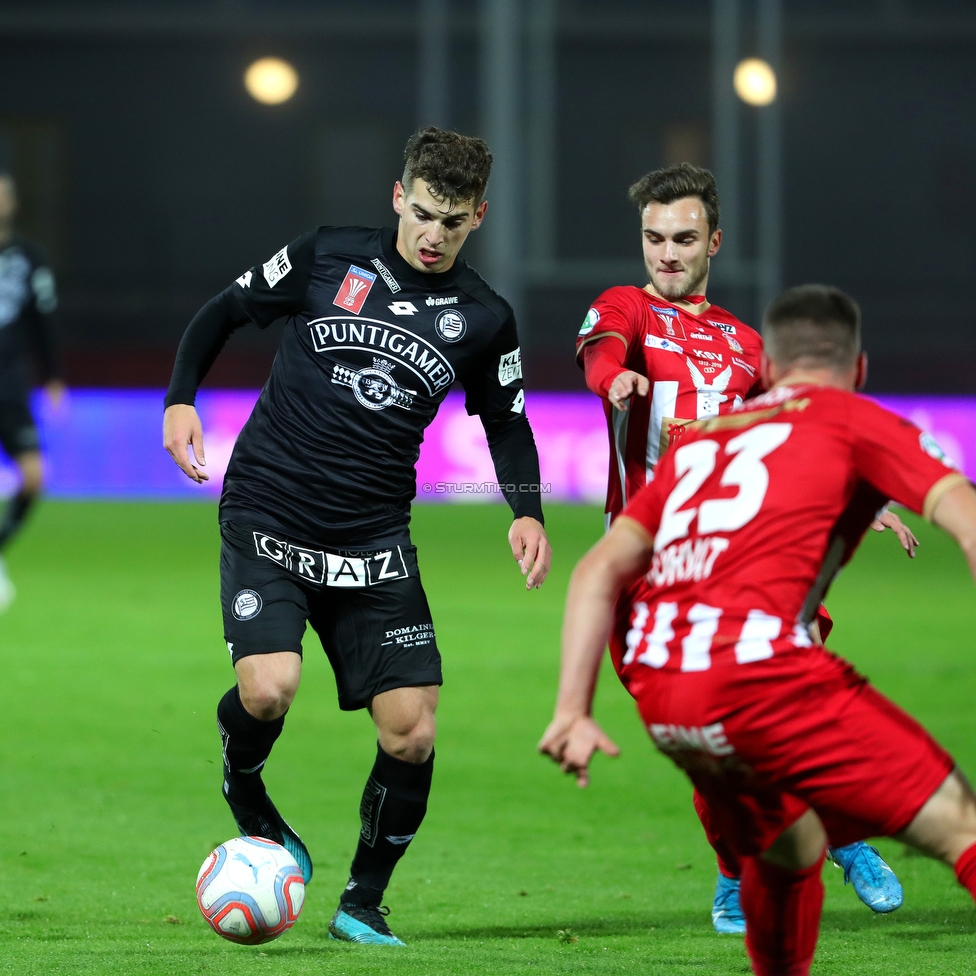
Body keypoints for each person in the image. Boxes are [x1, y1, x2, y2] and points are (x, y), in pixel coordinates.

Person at [163, 127, 552, 946]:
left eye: (452, 220)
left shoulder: (484, 317)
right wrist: (180, 398)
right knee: (269, 688)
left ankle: (361, 904)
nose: (433, 233)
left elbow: (507, 422)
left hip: (373, 536)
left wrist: (526, 509)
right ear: (397, 198)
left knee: (412, 729)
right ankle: (246, 787)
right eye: (421, 213)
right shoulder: (327, 256)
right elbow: (224, 311)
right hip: (269, 511)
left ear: (477, 216)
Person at [541, 284, 976, 976]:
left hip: (662, 686)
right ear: (858, 369)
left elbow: (597, 570)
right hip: (757, 674)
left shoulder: (701, 444)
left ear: (765, 369)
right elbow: (967, 518)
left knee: (788, 850)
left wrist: (572, 710)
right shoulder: (857, 419)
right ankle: (843, 833)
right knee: (963, 827)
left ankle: (800, 863)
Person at [576, 163, 906, 930]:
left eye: (683, 238)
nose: (665, 253)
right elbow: (603, 350)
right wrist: (612, 383)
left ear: (713, 242)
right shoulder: (624, 308)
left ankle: (799, 853)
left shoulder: (744, 344)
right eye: (654, 238)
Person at [0, 171, 64, 611]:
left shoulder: (29, 257)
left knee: (34, 477)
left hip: (10, 383)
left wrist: (54, 376)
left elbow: (44, 322)